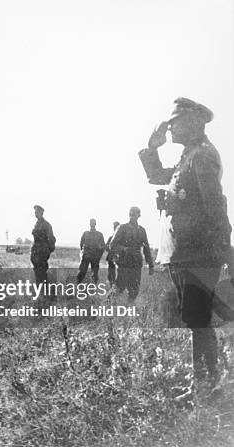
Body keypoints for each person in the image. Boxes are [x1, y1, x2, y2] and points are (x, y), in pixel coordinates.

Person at [138, 97, 232, 384]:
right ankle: (204, 383)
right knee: (196, 320)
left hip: (198, 254)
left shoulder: (201, 156)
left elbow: (216, 206)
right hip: (186, 253)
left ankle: (205, 386)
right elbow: (156, 176)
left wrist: (224, 253)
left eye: (174, 122)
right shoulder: (189, 156)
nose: (169, 128)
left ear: (194, 121)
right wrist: (152, 148)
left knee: (199, 320)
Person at [109, 207, 154, 300]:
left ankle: (130, 309)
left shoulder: (142, 230)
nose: (132, 216)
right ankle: (108, 303)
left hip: (136, 262)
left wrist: (151, 264)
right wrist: (124, 249)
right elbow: (112, 245)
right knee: (120, 286)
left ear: (139, 216)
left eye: (134, 214)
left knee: (134, 289)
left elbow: (146, 248)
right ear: (129, 215)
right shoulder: (122, 228)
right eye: (131, 214)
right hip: (124, 262)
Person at [31, 205, 56, 285]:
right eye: (35, 212)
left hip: (42, 252)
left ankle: (45, 294)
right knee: (37, 273)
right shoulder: (37, 224)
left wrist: (47, 251)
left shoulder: (46, 225)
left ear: (41, 213)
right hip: (36, 252)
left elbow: (52, 239)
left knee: (42, 274)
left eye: (37, 212)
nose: (35, 213)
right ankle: (40, 293)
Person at [77, 219, 106, 283]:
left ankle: (92, 288)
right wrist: (83, 253)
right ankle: (78, 285)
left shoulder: (99, 234)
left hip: (94, 257)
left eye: (93, 223)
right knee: (82, 272)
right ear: (90, 224)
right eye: (91, 223)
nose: (92, 224)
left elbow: (103, 246)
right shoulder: (85, 233)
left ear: (95, 224)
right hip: (87, 256)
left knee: (94, 274)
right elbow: (81, 245)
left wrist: (99, 256)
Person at [105, 221, 120, 286]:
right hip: (112, 257)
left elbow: (106, 248)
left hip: (116, 257)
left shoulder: (113, 237)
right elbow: (106, 248)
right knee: (111, 272)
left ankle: (113, 284)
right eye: (114, 226)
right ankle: (112, 284)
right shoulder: (111, 237)